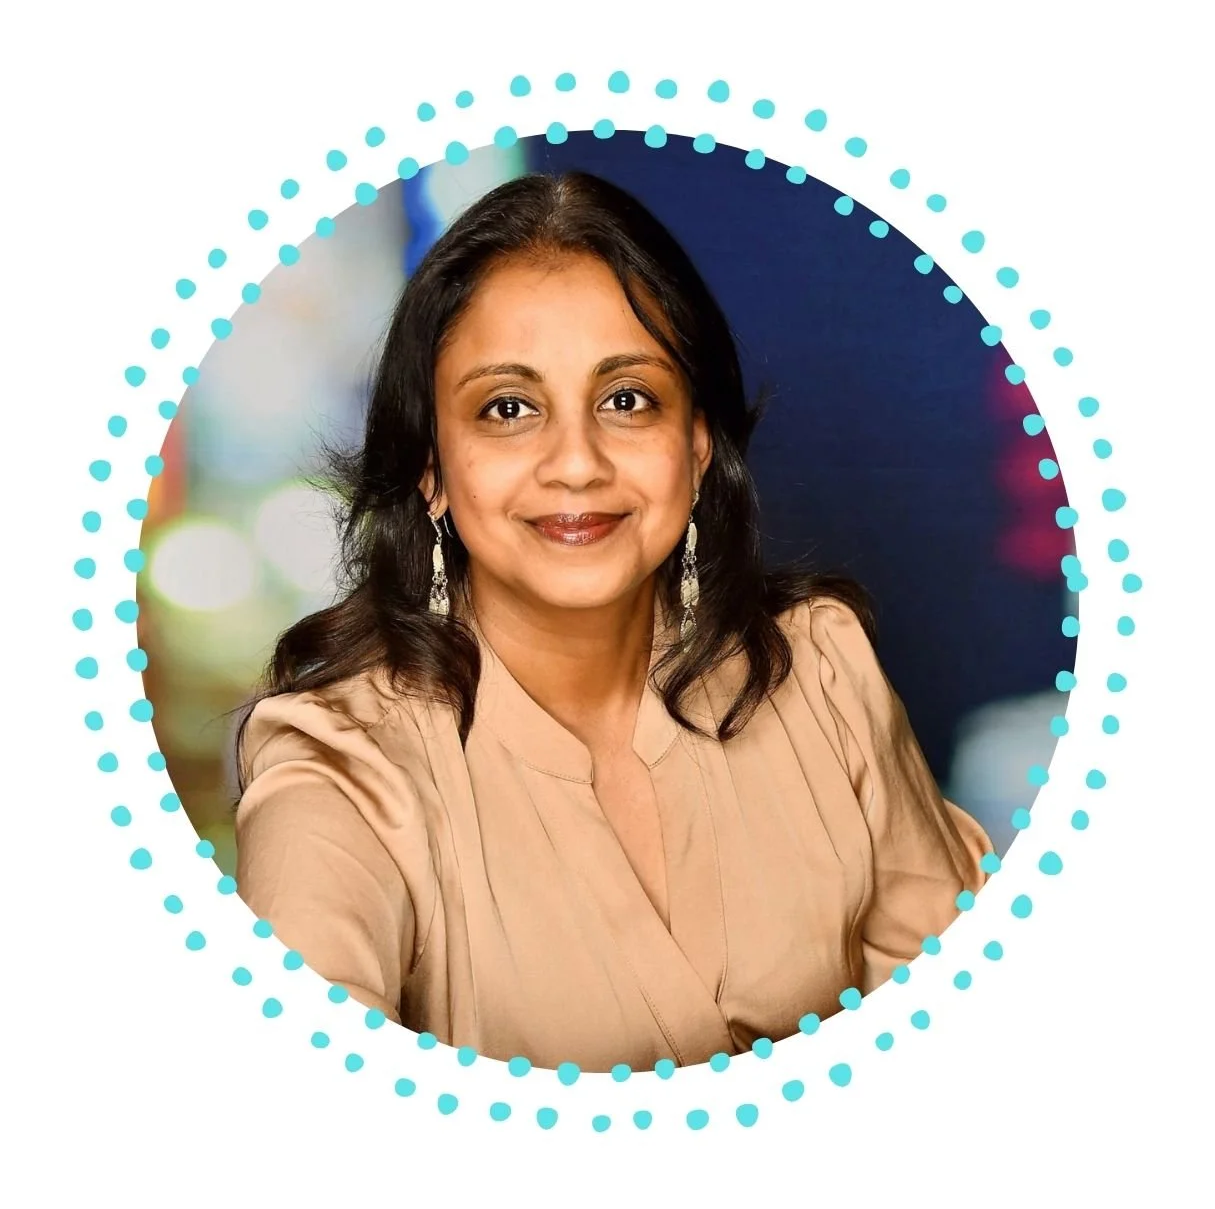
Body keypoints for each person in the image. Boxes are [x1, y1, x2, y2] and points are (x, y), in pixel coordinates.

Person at [234, 170, 992, 1073]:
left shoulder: (819, 667)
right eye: (508, 408)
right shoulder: (341, 770)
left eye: (626, 398)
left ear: (698, 443)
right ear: (429, 469)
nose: (576, 463)